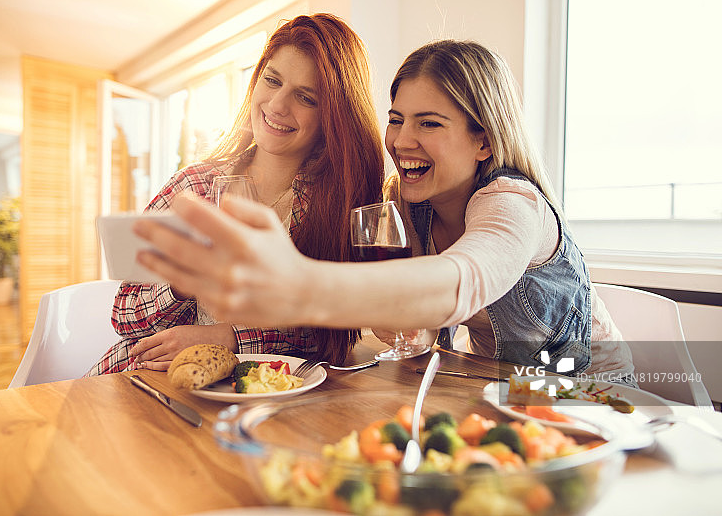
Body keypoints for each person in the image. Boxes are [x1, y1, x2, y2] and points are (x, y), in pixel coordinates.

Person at [133, 40, 634, 381]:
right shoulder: (402, 204)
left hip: (596, 397)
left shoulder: (514, 207)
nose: (402, 141)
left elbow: (456, 284)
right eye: (397, 120)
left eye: (430, 123)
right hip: (500, 389)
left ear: (483, 140)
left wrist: (297, 286)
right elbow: (409, 321)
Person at [86, 13, 385, 375]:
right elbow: (125, 316)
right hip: (151, 379)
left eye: (305, 98)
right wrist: (181, 280)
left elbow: (332, 331)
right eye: (272, 81)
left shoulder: (337, 205)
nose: (277, 104)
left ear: (334, 114)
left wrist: (228, 337)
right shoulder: (194, 186)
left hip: (276, 391)